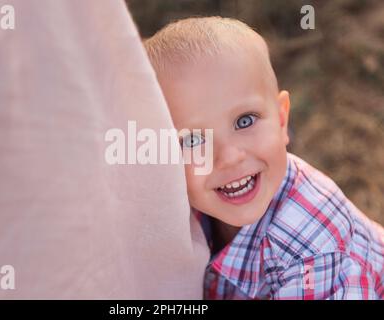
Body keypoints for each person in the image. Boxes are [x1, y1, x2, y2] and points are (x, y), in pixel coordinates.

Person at [144, 16, 384, 299]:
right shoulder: (179, 208)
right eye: (194, 140)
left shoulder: (312, 250)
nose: (230, 156)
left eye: (245, 121)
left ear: (282, 120)